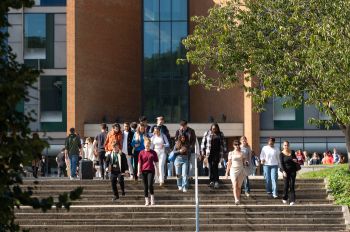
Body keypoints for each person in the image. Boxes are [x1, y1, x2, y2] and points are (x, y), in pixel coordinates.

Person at [201, 123, 227, 189]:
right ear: (211, 128)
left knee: (215, 165)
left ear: (217, 128)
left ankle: (216, 181)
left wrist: (225, 151)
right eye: (213, 128)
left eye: (215, 128)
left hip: (217, 153)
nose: (214, 129)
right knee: (210, 166)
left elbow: (224, 143)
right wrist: (202, 151)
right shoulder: (207, 133)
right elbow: (203, 143)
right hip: (209, 153)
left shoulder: (220, 134)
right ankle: (212, 180)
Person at [138, 139, 159, 206]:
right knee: (145, 186)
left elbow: (156, 162)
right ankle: (146, 200)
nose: (147, 145)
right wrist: (138, 171)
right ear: (144, 144)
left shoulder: (153, 152)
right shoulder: (141, 152)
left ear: (150, 144)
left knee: (150, 185)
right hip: (143, 171)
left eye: (148, 144)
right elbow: (139, 163)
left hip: (151, 170)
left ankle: (152, 199)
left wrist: (158, 171)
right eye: (146, 144)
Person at [225, 140, 246, 205]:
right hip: (233, 170)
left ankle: (238, 198)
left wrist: (246, 162)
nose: (237, 146)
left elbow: (244, 161)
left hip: (241, 170)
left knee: (239, 186)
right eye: (235, 144)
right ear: (233, 145)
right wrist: (226, 173)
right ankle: (236, 199)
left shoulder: (242, 153)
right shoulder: (231, 153)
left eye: (238, 144)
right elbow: (229, 163)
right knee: (234, 184)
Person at [279, 141, 299, 206]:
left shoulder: (292, 152)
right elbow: (281, 164)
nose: (286, 146)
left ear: (289, 145)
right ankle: (285, 197)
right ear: (283, 146)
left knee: (292, 185)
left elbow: (296, 159)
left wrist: (295, 160)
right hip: (285, 171)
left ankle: (292, 200)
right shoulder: (281, 154)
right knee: (286, 185)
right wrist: (283, 171)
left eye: (287, 145)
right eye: (285, 145)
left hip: (293, 170)